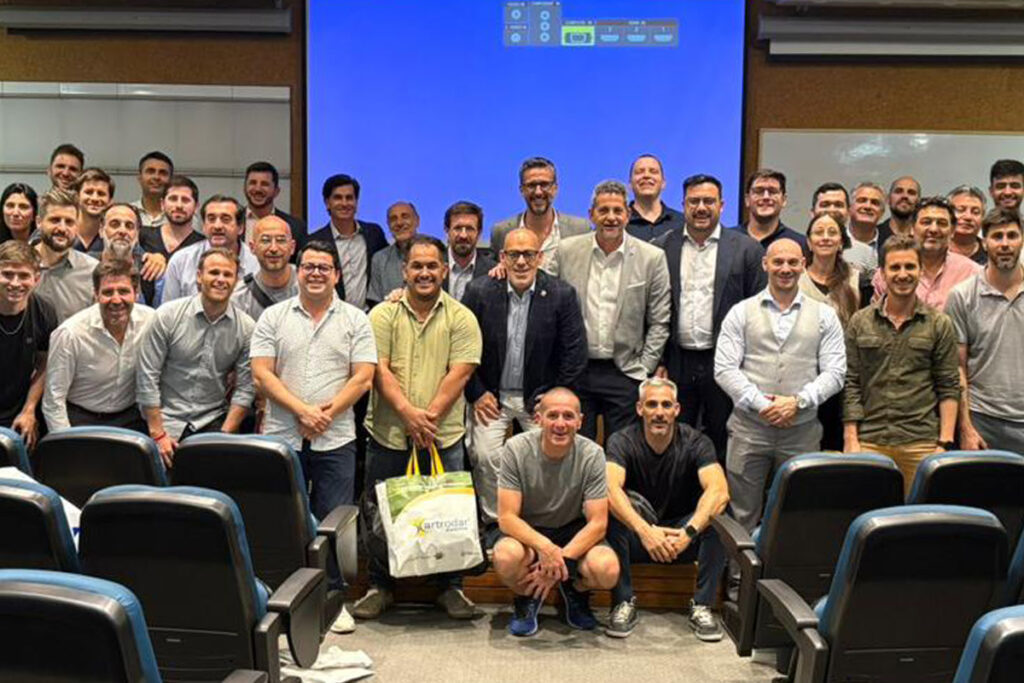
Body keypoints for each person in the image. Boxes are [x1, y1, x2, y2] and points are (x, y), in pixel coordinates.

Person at [355, 235, 482, 621]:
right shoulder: (382, 315)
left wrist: (427, 418)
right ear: (404, 270)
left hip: (443, 436)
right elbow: (378, 369)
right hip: (389, 434)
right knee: (380, 514)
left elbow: (460, 372)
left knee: (448, 513)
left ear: (444, 270)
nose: (424, 273)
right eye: (417, 266)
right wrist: (408, 414)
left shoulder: (462, 317)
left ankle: (451, 587)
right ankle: (380, 586)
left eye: (431, 266)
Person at [715, 238, 845, 532]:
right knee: (742, 515)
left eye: (792, 262)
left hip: (802, 432)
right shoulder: (740, 312)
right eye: (778, 262)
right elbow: (724, 369)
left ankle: (790, 565)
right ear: (765, 265)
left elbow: (836, 372)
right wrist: (764, 405)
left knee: (799, 514)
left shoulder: (825, 314)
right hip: (749, 431)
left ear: (803, 265)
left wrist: (798, 402)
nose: (785, 268)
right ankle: (741, 565)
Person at [462, 227, 588, 525]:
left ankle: (539, 522)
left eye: (528, 254)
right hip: (491, 396)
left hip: (540, 397)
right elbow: (461, 348)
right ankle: (497, 523)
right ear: (502, 257)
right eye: (514, 255)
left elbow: (574, 353)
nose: (521, 262)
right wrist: (477, 393)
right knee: (485, 456)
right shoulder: (479, 292)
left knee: (550, 458)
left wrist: (554, 397)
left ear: (540, 257)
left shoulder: (561, 294)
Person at [251, 240, 377, 514]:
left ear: (337, 275)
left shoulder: (357, 320)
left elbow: (363, 378)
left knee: (335, 523)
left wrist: (323, 417)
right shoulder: (272, 317)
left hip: (336, 439)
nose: (316, 273)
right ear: (298, 272)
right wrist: (303, 412)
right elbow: (261, 374)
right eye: (309, 267)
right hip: (282, 437)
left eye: (324, 268)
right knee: (280, 519)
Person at [603, 377, 729, 640]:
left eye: (666, 405)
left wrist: (688, 532)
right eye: (651, 405)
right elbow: (609, 489)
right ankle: (622, 602)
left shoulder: (696, 442)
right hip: (639, 539)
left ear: (677, 409)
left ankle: (702, 605)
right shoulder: (621, 440)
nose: (659, 412)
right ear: (640, 409)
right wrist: (645, 531)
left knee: (719, 518)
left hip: (681, 539)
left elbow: (719, 492)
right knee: (610, 514)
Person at [653, 174, 765, 462]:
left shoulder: (747, 249)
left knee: (723, 437)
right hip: (677, 361)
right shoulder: (661, 247)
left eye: (708, 201)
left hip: (726, 361)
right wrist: (659, 360)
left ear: (722, 205)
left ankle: (719, 489)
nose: (701, 207)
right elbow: (652, 309)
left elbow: (758, 312)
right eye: (694, 201)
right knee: (675, 439)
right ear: (683, 205)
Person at [491, 387, 619, 637]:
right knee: (505, 557)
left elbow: (598, 524)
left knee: (607, 570)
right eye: (553, 415)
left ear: (580, 421)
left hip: (572, 531)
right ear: (538, 419)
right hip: (529, 533)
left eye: (568, 416)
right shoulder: (515, 449)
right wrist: (546, 549)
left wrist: (559, 560)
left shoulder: (593, 454)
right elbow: (507, 518)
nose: (560, 424)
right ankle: (526, 596)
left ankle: (574, 590)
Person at [844, 235, 960, 494]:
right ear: (882, 273)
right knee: (869, 512)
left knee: (918, 517)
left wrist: (944, 443)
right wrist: (851, 439)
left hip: (922, 443)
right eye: (895, 267)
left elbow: (949, 385)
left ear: (920, 270)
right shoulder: (860, 322)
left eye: (910, 267)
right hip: (869, 440)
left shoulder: (939, 324)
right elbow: (852, 383)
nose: (903, 274)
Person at [558, 180, 671, 440]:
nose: (611, 217)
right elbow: (550, 305)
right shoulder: (566, 251)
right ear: (591, 215)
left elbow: (660, 321)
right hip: (577, 370)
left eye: (617, 211)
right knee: (578, 449)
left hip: (625, 371)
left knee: (620, 450)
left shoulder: (651, 257)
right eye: (603, 210)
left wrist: (644, 368)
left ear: (628, 214)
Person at [136, 248, 255, 467]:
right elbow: (147, 376)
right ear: (199, 276)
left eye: (228, 274)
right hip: (164, 420)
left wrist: (224, 437)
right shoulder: (167, 315)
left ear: (236, 281)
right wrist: (158, 434)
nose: (221, 279)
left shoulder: (246, 328)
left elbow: (246, 389)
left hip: (213, 422)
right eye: (214, 272)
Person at [42, 259, 154, 433]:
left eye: (123, 291)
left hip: (132, 417)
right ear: (96, 295)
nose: (116, 300)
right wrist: (66, 442)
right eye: (108, 292)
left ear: (136, 294)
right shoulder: (70, 334)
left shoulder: (152, 322)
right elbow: (53, 401)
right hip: (81, 419)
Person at [946, 208, 1024, 453]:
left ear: (1022, 240)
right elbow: (957, 367)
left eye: (1012, 236)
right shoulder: (962, 296)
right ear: (984, 242)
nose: (1005, 244)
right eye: (997, 236)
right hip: (983, 422)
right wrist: (965, 428)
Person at [799, 213, 868, 450]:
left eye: (832, 232)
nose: (825, 237)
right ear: (809, 242)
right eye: (819, 232)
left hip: (844, 378)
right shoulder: (794, 278)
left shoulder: (857, 280)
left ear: (841, 242)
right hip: (803, 376)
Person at [872, 196, 982, 311]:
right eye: (926, 222)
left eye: (942, 223)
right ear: (912, 228)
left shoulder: (972, 274)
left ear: (952, 231)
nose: (933, 229)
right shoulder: (888, 273)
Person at [490, 157, 590, 276]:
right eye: (531, 185)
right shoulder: (502, 232)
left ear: (555, 188)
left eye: (544, 184)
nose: (538, 192)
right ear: (522, 190)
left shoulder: (580, 230)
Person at [0, 241, 57, 448]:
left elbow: (45, 362)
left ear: (36, 278)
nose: (15, 283)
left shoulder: (44, 311)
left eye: (23, 275)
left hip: (18, 410)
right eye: (7, 274)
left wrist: (29, 409)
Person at [306, 174, 388, 310]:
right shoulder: (314, 241)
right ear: (327, 203)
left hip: (368, 315)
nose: (344, 203)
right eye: (338, 198)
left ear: (356, 202)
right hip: (330, 314)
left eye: (349, 198)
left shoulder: (374, 233)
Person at [162, 195, 259, 302]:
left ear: (240, 228)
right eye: (211, 219)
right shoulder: (180, 261)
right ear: (203, 226)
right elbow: (169, 309)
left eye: (225, 220)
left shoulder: (257, 263)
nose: (217, 226)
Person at [33, 189, 99, 324]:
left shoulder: (92, 271)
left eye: (69, 222)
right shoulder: (15, 265)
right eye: (55, 220)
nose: (62, 228)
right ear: (39, 222)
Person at [231, 215, 298, 320]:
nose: (274, 248)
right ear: (252, 247)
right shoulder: (240, 296)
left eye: (281, 241)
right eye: (266, 241)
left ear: (292, 247)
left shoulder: (308, 284)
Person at [100, 203, 167, 307]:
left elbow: (161, 315)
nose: (122, 231)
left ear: (137, 233)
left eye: (129, 226)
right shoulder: (86, 266)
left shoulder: (152, 271)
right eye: (115, 224)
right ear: (101, 230)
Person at [137, 176, 206, 264]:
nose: (179, 205)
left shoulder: (203, 245)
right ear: (162, 204)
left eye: (185, 200)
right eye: (173, 199)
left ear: (196, 207)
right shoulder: (142, 235)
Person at [738, 169, 806, 252]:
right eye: (759, 191)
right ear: (747, 200)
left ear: (784, 200)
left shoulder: (799, 243)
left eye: (773, 192)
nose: (766, 197)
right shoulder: (727, 240)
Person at [366, 201, 419, 307]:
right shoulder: (380, 259)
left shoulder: (436, 252)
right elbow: (376, 303)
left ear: (417, 221)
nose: (399, 223)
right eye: (393, 219)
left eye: (405, 216)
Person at [243, 160, 307, 247]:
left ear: (276, 191)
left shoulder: (295, 227)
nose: (258, 189)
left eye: (265, 184)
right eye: (253, 183)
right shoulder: (233, 222)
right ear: (244, 188)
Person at [443, 200, 496, 301]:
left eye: (469, 229)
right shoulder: (433, 265)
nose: (463, 235)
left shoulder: (492, 271)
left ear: (479, 233)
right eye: (458, 228)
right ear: (447, 231)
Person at [626, 154, 685, 242]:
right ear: (630, 184)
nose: (646, 175)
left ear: (663, 183)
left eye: (653, 171)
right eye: (639, 172)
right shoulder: (619, 223)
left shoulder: (682, 222)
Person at [846, 181, 889, 270]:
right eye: (862, 200)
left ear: (882, 212)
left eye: (875, 203)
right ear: (850, 208)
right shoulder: (835, 241)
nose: (868, 206)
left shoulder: (890, 245)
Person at [72, 168, 114, 255]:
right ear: (77, 197)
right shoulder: (63, 230)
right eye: (89, 192)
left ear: (110, 201)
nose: (95, 198)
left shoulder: (114, 236)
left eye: (101, 193)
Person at [131, 151, 175, 229]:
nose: (156, 177)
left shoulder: (181, 216)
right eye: (150, 171)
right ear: (139, 178)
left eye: (163, 173)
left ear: (171, 180)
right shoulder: (126, 212)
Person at [948, 185, 988, 265]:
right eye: (960, 210)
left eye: (975, 212)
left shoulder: (990, 253)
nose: (968, 217)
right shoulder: (935, 250)